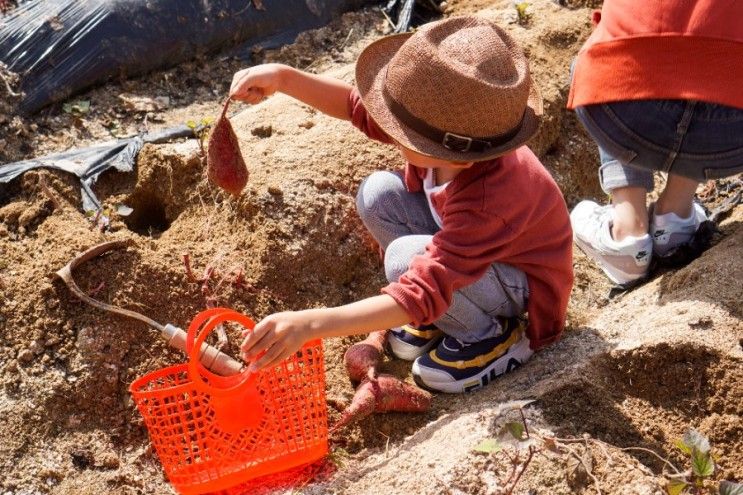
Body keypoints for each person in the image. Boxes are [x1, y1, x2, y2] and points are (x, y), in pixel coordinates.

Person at [233, 16, 574, 393]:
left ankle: (489, 335)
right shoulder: (446, 131)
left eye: (401, 132)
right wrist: (283, 77)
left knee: (402, 258)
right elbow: (353, 106)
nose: (386, 127)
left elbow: (426, 283)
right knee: (377, 193)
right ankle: (445, 315)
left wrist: (310, 324)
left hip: (517, 282)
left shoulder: (488, 198)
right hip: (471, 259)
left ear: (452, 157)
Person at [568, 0, 743, 287]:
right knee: (712, 66)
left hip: (624, 111)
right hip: (729, 138)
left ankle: (627, 227)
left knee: (606, 53)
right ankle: (675, 217)